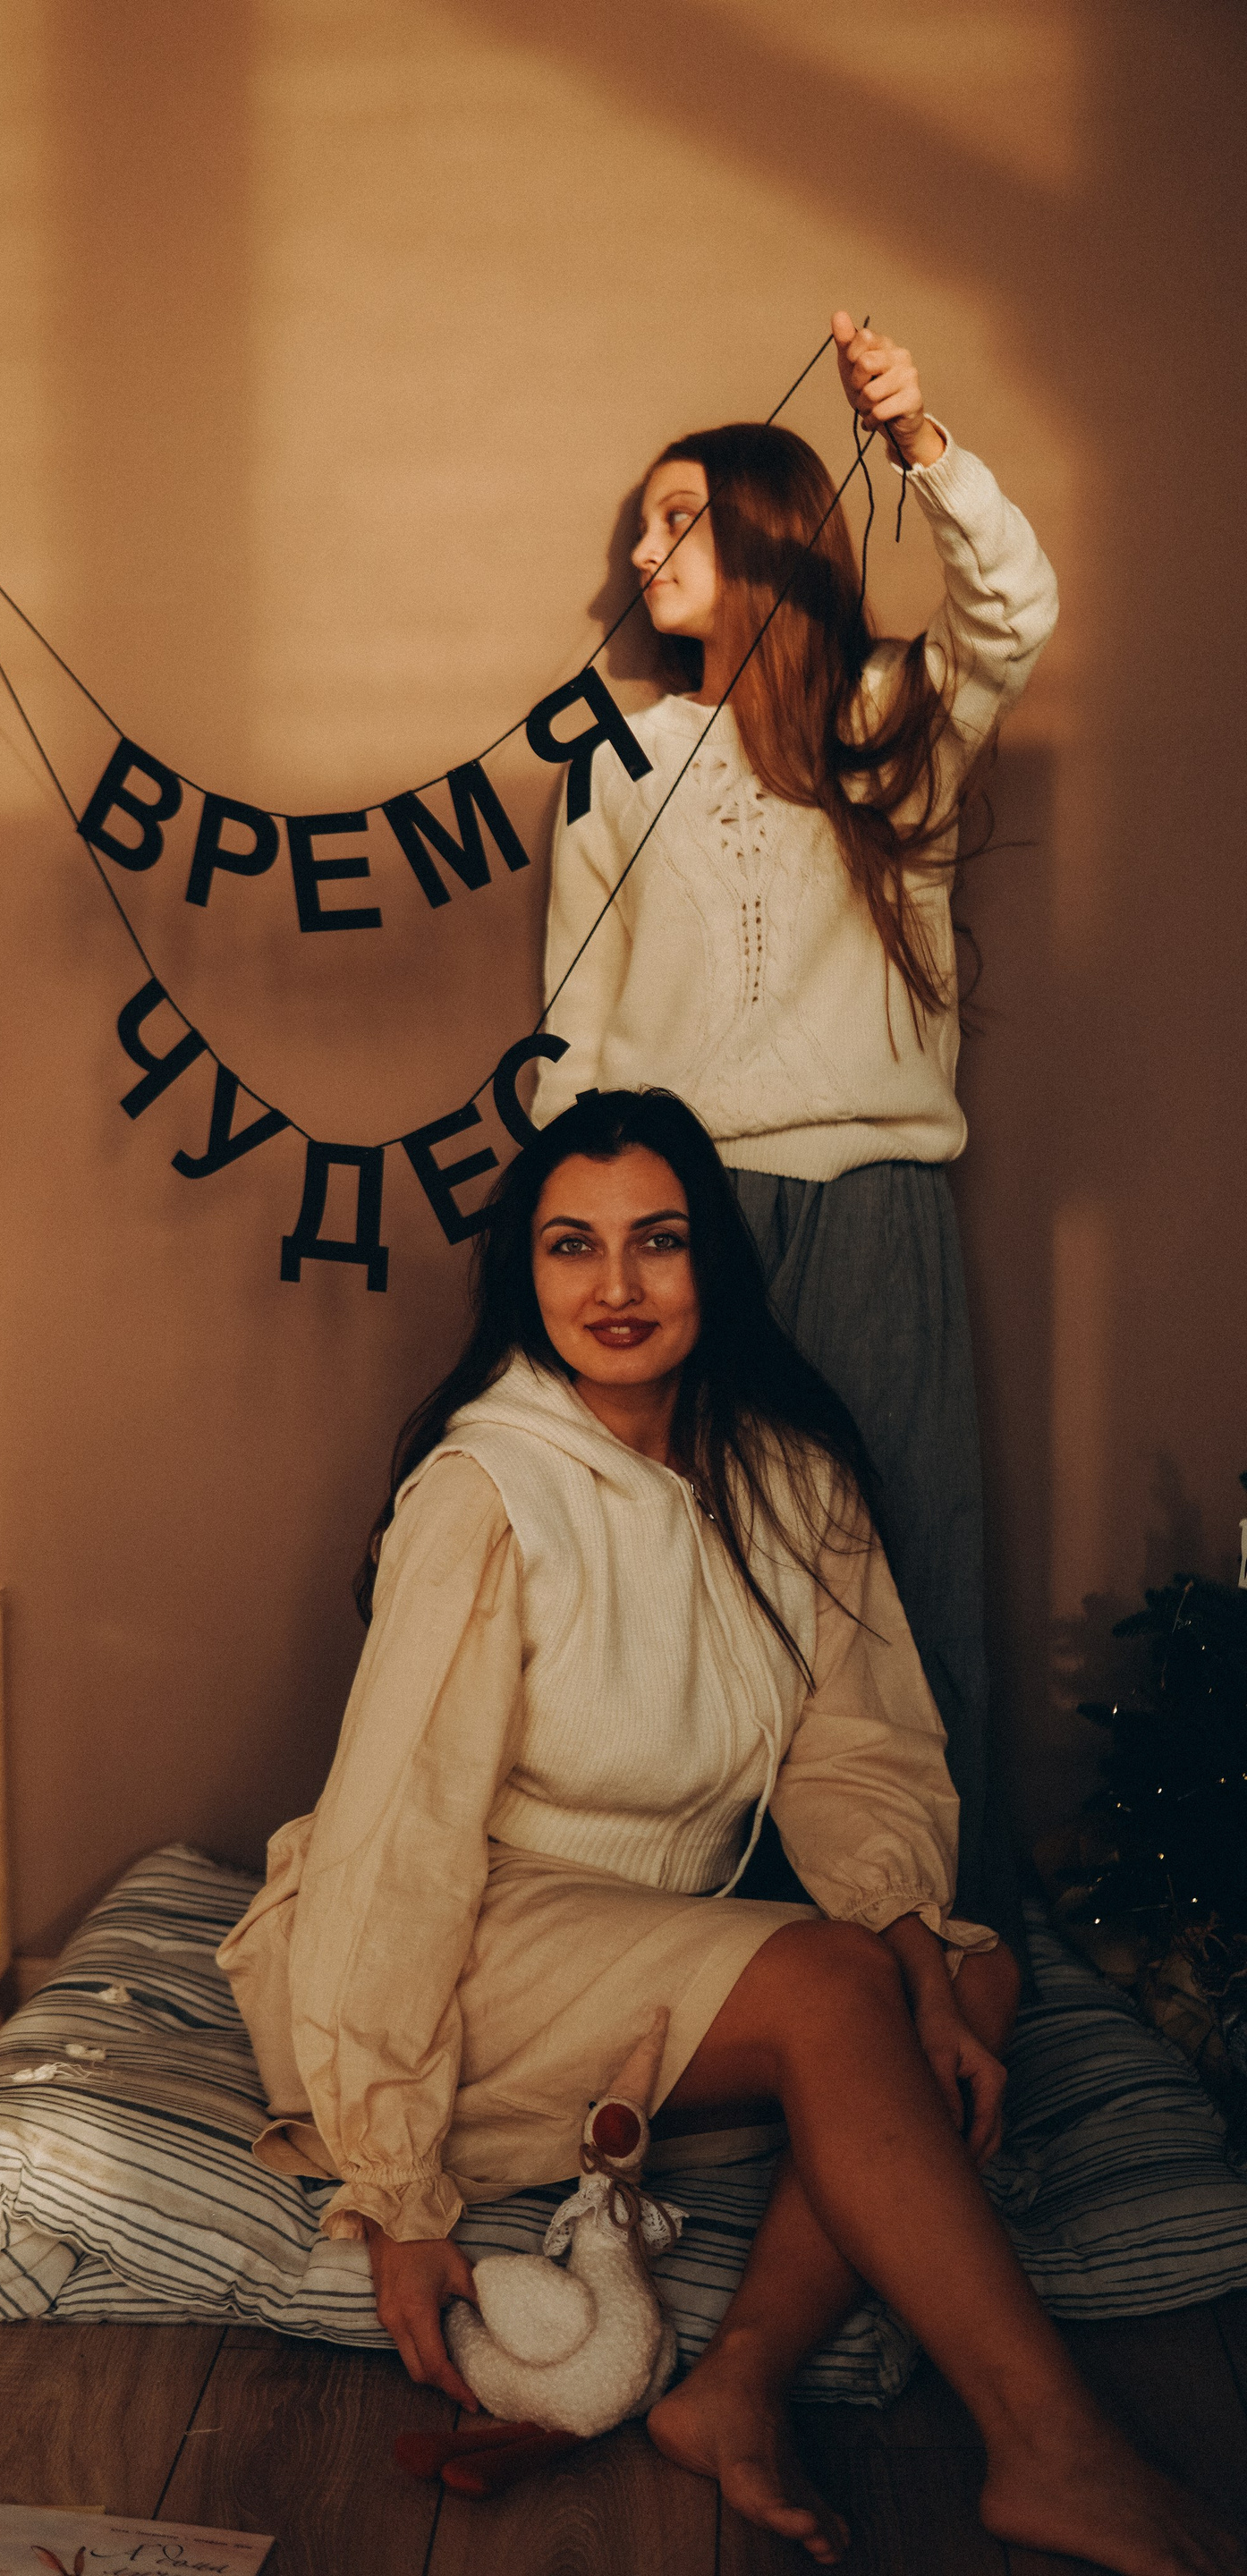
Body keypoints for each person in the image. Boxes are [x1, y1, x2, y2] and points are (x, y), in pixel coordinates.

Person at [219, 1091, 1242, 2572]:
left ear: (713, 1262)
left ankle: (738, 2384)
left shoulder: (786, 1473)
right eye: (572, 1247)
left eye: (658, 1241)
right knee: (832, 1986)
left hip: (631, 1942)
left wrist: (914, 1944)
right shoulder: (486, 1487)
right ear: (525, 1275)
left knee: (966, 1970)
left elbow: (857, 1748)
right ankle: (1055, 2445)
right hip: (462, 1944)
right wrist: (394, 2187)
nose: (616, 1286)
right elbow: (400, 1839)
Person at [533, 315, 1059, 1945]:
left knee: (902, 1555)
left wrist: (917, 441)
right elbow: (573, 1032)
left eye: (674, 518)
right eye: (641, 524)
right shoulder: (616, 760)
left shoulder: (896, 720)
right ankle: (731, 1932)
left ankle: (929, 1930)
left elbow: (1015, 604)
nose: (641, 552)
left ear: (768, 532)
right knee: (696, 1574)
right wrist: (570, 1257)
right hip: (688, 1222)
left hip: (878, 1207)